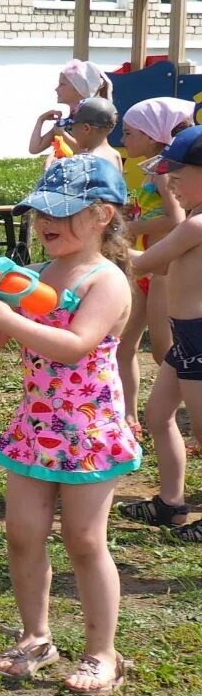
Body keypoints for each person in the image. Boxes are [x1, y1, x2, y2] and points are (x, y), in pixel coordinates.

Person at [0, 155, 139, 694]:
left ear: (103, 215)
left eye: (62, 212)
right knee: (22, 535)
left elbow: (74, 346)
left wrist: (8, 317)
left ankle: (102, 652)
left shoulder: (105, 281)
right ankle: (36, 636)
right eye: (40, 211)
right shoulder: (32, 276)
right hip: (35, 430)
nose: (44, 222)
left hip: (88, 432)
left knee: (85, 540)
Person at [126, 124, 202, 542]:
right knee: (158, 415)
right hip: (186, 338)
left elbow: (145, 262)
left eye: (179, 174)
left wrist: (106, 244)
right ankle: (171, 503)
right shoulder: (193, 220)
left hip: (199, 339)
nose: (170, 182)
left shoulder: (195, 226)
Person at [115, 99, 190, 436]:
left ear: (152, 136)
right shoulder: (153, 168)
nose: (124, 138)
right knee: (123, 344)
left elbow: (177, 220)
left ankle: (191, 417)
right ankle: (128, 417)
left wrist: (130, 229)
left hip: (162, 270)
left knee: (164, 352)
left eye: (130, 133)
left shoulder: (163, 173)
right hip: (146, 268)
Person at [29, 96, 121, 169]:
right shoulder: (116, 155)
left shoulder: (84, 160)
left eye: (72, 127)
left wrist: (50, 167)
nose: (72, 131)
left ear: (86, 128)